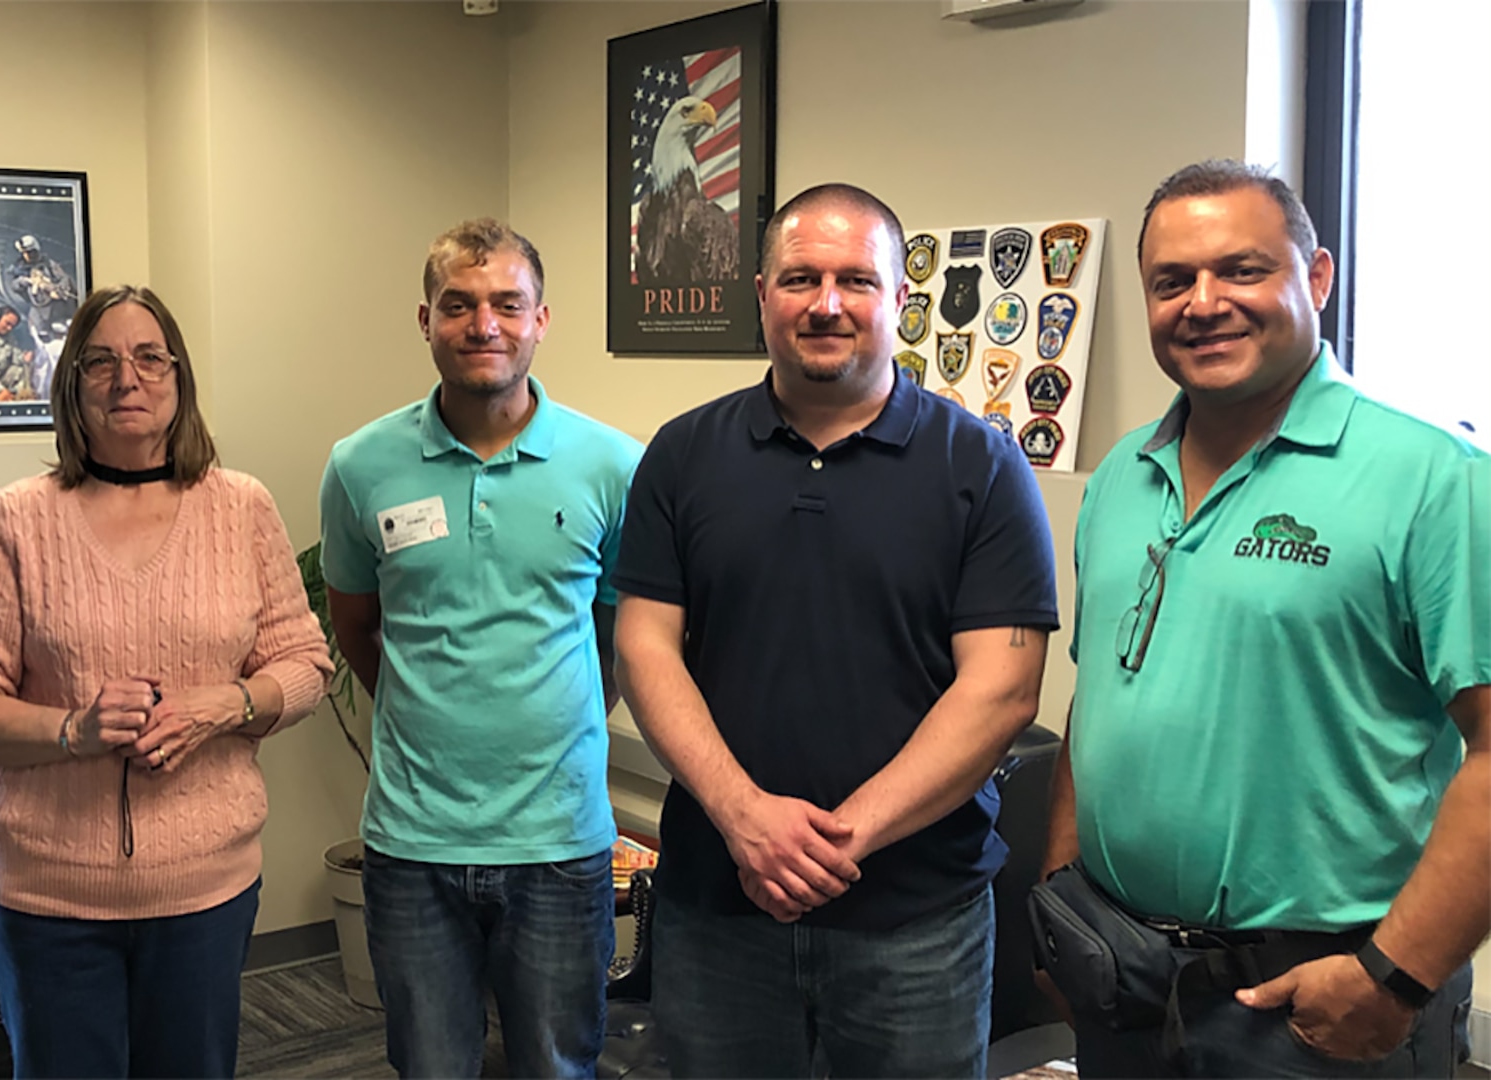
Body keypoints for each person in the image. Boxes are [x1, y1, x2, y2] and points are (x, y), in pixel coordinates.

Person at [1038, 159, 1489, 1078]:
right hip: (1121, 978)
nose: (1203, 303)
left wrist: (1394, 978)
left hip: (1316, 1001)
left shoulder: (1434, 478)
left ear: (1315, 277)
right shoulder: (1123, 473)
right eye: (1171, 281)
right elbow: (1103, 693)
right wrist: (1058, 895)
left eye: (1242, 270)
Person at [612, 183, 1059, 1078]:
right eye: (799, 278)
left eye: (855, 280)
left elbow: (1002, 688)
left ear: (900, 298)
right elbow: (643, 647)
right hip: (718, 905)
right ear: (760, 293)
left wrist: (833, 843)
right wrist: (745, 822)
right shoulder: (682, 454)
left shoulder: (982, 465)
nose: (826, 303)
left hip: (916, 922)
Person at [0, 284, 334, 1078]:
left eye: (150, 357)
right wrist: (71, 731)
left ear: (178, 378)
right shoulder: (16, 518)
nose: (129, 378)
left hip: (205, 892)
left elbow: (305, 665)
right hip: (45, 897)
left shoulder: (242, 507)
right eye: (101, 361)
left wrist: (226, 705)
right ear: (73, 386)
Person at [319, 218, 642, 1079]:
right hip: (412, 843)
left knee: (558, 1065)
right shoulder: (360, 465)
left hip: (560, 843)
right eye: (457, 305)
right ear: (424, 320)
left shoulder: (612, 465)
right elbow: (354, 624)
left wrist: (553, 718)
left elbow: (620, 633)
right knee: (428, 1066)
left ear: (542, 320)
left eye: (507, 303)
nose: (483, 325)